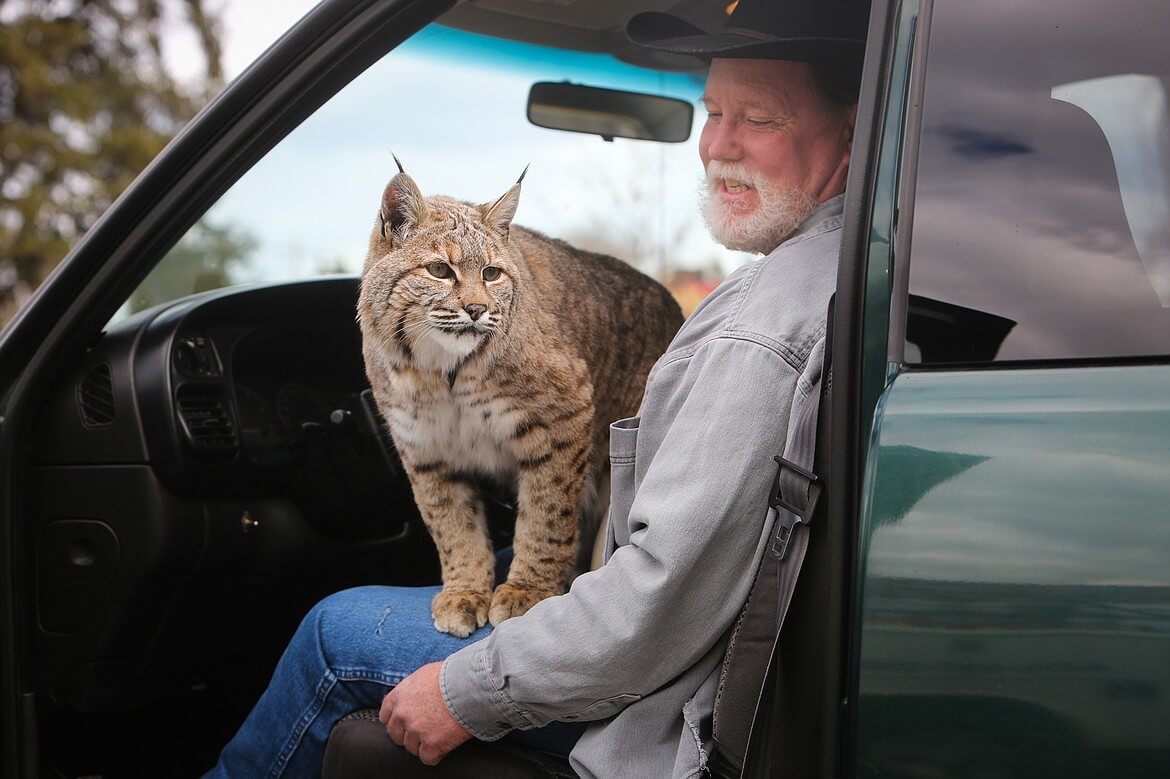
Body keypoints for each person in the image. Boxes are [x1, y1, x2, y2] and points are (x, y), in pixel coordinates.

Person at [204, 0, 868, 776]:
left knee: (329, 632)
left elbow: (651, 610)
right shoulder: (836, 276)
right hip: (673, 661)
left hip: (656, 708)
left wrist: (466, 690)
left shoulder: (764, 329)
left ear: (853, 135)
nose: (714, 145)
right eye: (712, 110)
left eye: (758, 118)